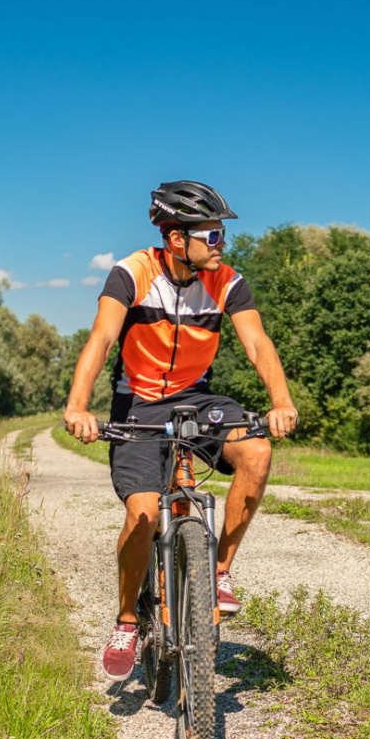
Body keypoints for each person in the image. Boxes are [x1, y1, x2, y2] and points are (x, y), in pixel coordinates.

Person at [64, 180, 299, 681]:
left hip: (196, 397)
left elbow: (258, 344)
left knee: (256, 452)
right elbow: (103, 338)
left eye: (220, 234)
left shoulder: (228, 282)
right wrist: (78, 405)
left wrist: (281, 401)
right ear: (177, 240)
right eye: (211, 235)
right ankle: (127, 620)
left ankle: (218, 572)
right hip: (139, 403)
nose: (221, 244)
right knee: (144, 513)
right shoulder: (132, 273)